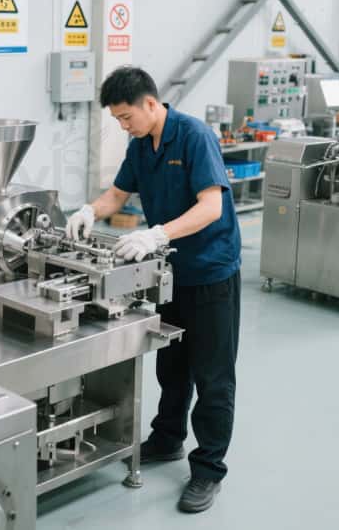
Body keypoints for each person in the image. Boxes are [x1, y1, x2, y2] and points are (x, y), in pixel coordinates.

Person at [66, 66, 241, 514]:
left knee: (213, 377)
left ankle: (209, 469)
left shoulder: (194, 136)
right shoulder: (141, 145)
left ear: (149, 103)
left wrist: (157, 234)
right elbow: (117, 195)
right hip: (170, 273)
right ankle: (167, 439)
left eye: (126, 117)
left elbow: (211, 206)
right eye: (118, 120)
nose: (124, 126)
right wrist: (89, 210)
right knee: (172, 364)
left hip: (211, 272)